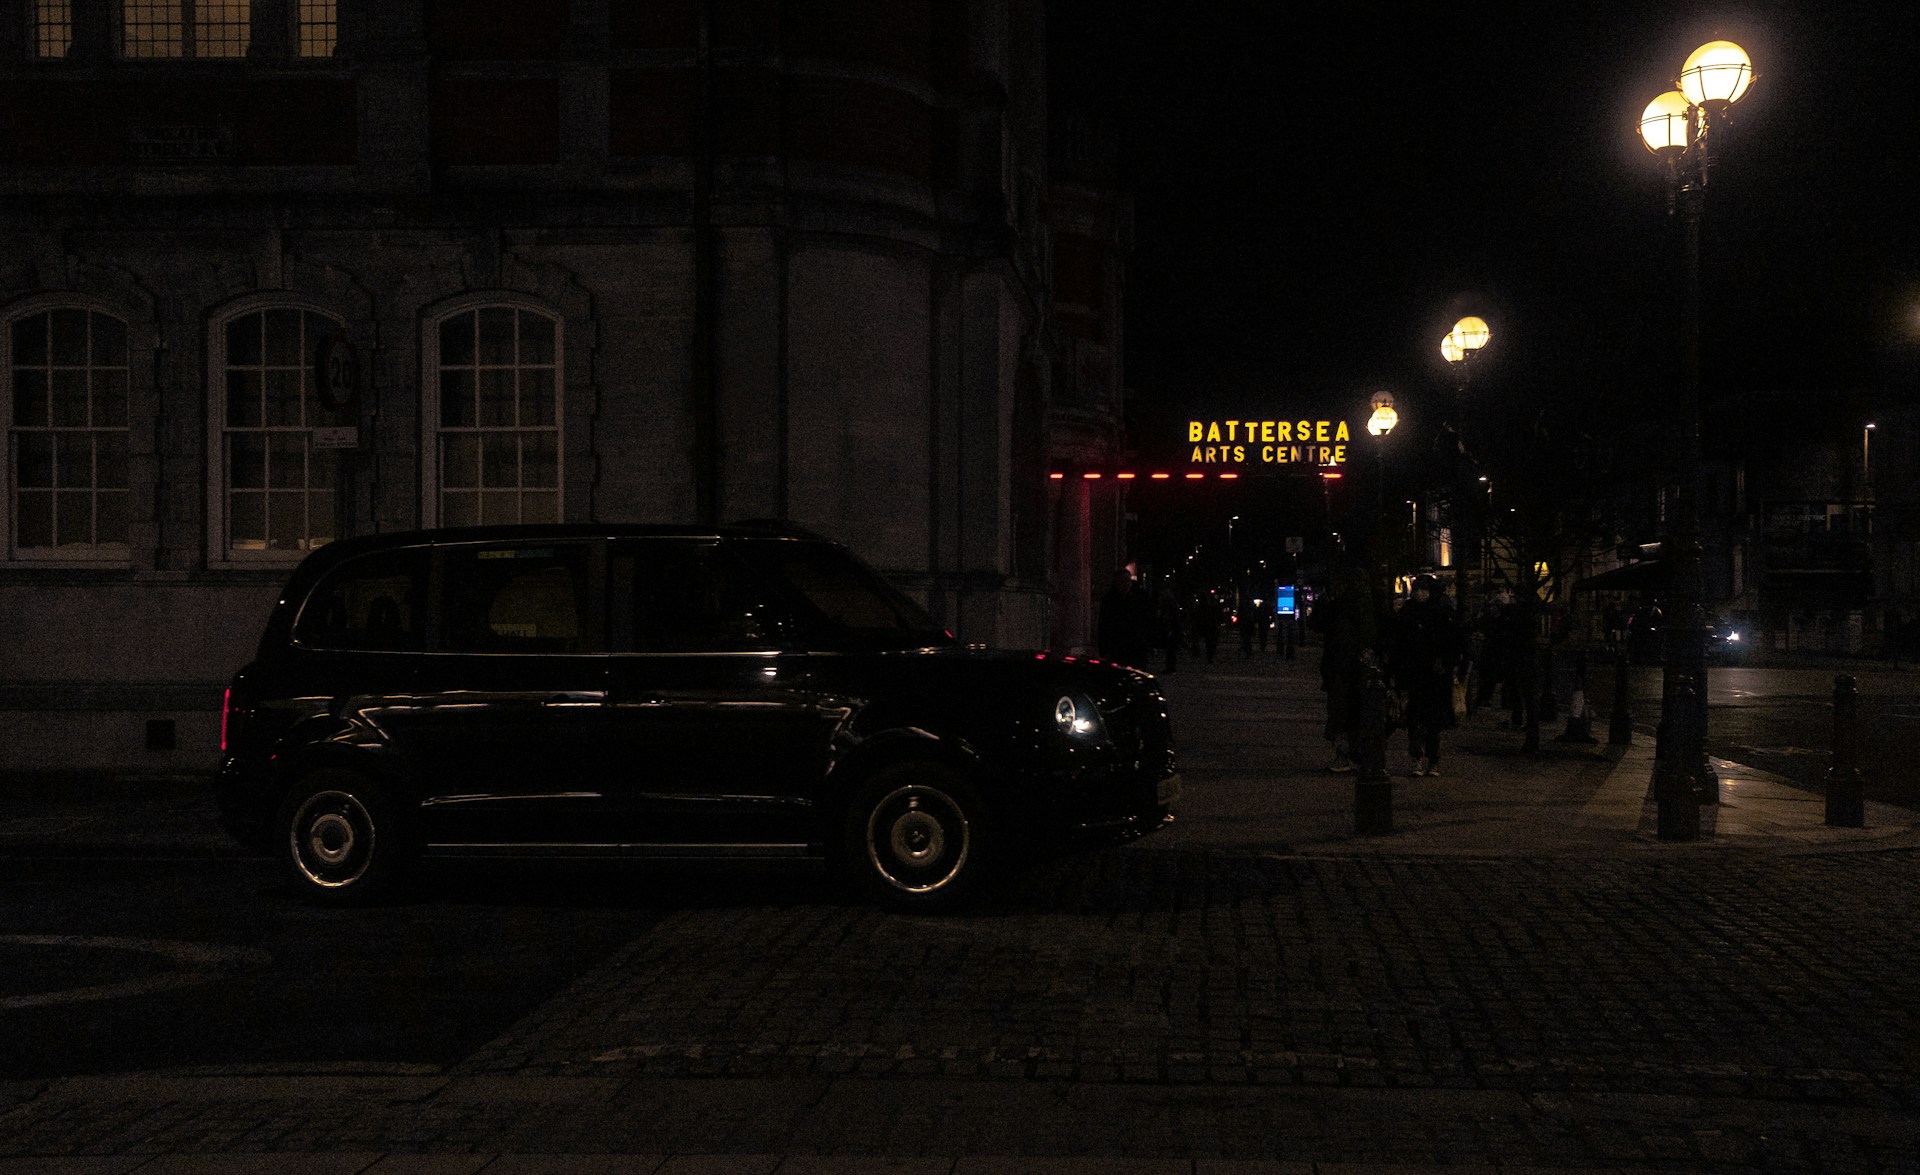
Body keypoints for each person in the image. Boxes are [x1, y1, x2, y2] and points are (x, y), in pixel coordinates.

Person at [1390, 574, 1463, 777]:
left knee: (1432, 720)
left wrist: (1446, 662)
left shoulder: (1439, 613)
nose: (1420, 593)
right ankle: (1418, 758)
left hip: (1433, 676)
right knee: (1414, 718)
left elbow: (1452, 641)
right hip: (1415, 674)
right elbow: (1399, 643)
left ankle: (1432, 759)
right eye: (1418, 589)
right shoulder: (1409, 612)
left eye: (1424, 589)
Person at [1310, 569, 1380, 773]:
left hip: (1345, 669)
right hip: (1349, 668)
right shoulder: (1355, 604)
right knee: (1354, 713)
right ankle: (1355, 755)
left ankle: (1346, 755)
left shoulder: (1345, 605)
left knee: (1343, 713)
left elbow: (1319, 625)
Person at [1096, 568, 1155, 670]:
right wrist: (1105, 651)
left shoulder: (1140, 597)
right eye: (1122, 581)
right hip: (1118, 647)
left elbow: (1147, 620)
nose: (1125, 584)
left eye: (1127, 581)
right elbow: (1104, 626)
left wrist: (1148, 641)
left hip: (1136, 646)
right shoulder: (1110, 600)